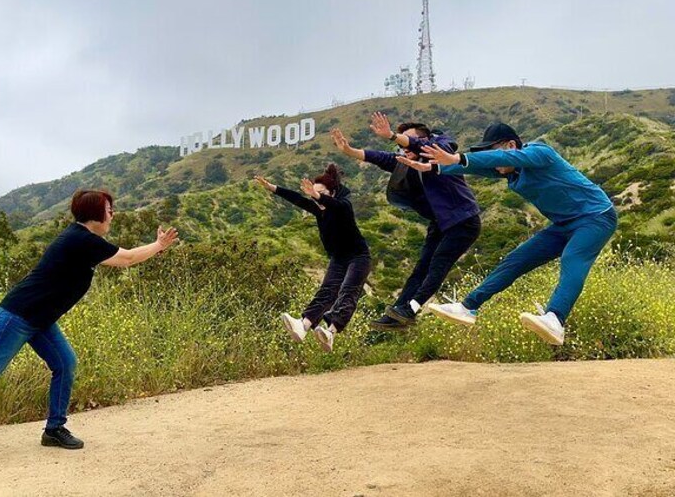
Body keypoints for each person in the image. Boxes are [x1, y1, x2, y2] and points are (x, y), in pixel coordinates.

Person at [0, 189, 179, 469]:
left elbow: (120, 258)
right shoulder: (81, 239)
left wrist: (156, 247)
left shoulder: (84, 240)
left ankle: (54, 429)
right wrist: (159, 245)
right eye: (109, 209)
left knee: (65, 363)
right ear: (95, 214)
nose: (113, 215)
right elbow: (127, 259)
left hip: (40, 320)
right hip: (17, 316)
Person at [400, 122, 617, 345]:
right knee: (515, 260)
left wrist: (457, 158)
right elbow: (480, 167)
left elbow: (501, 160)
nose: (493, 161)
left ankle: (555, 319)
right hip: (564, 224)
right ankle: (468, 307)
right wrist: (436, 168)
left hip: (596, 216)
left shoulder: (540, 153)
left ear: (511, 145)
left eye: (493, 151)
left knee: (572, 258)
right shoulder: (512, 173)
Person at [331, 112, 481, 330]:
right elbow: (379, 157)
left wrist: (392, 135)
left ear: (424, 139)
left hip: (463, 220)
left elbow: (425, 147)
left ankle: (410, 309)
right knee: (421, 268)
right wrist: (349, 151)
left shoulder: (441, 147)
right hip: (440, 223)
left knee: (438, 263)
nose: (404, 148)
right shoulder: (406, 160)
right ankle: (398, 313)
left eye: (408, 142)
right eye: (402, 145)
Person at [254, 164, 370, 352]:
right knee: (326, 291)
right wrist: (272, 187)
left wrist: (316, 195)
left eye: (321, 193)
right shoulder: (319, 210)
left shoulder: (343, 206)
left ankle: (331, 332)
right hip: (338, 258)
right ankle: (304, 326)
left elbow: (338, 205)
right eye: (313, 194)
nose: (315, 198)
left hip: (358, 257)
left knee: (347, 292)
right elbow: (297, 199)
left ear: (332, 193)